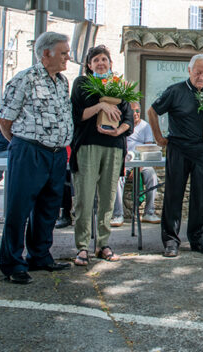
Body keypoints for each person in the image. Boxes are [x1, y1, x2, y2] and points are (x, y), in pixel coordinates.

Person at [0, 31, 73, 285]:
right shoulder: (25, 79)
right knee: (19, 209)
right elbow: (4, 119)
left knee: (48, 209)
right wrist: (21, 145)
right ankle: (13, 263)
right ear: (46, 53)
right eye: (63, 53)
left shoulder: (62, 82)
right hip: (30, 151)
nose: (67, 57)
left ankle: (40, 255)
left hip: (56, 153)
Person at [148, 53, 203, 258]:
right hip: (178, 148)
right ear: (189, 70)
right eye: (198, 72)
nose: (201, 77)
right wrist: (158, 137)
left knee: (200, 196)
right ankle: (171, 241)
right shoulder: (175, 91)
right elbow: (152, 111)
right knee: (174, 195)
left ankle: (198, 239)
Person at [70, 45, 134, 266]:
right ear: (89, 65)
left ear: (110, 64)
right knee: (84, 199)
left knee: (107, 199)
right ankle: (82, 247)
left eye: (104, 59)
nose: (100, 63)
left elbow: (129, 119)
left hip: (114, 146)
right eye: (96, 60)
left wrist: (119, 130)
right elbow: (77, 115)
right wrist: (101, 106)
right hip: (88, 145)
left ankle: (103, 245)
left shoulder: (118, 87)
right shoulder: (82, 83)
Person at [111, 101, 160, 226]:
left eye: (138, 111)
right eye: (133, 111)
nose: (136, 114)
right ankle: (118, 215)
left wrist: (139, 167)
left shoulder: (145, 126)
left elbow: (148, 148)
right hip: (125, 161)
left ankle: (149, 212)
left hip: (142, 161)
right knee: (116, 179)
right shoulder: (122, 125)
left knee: (152, 176)